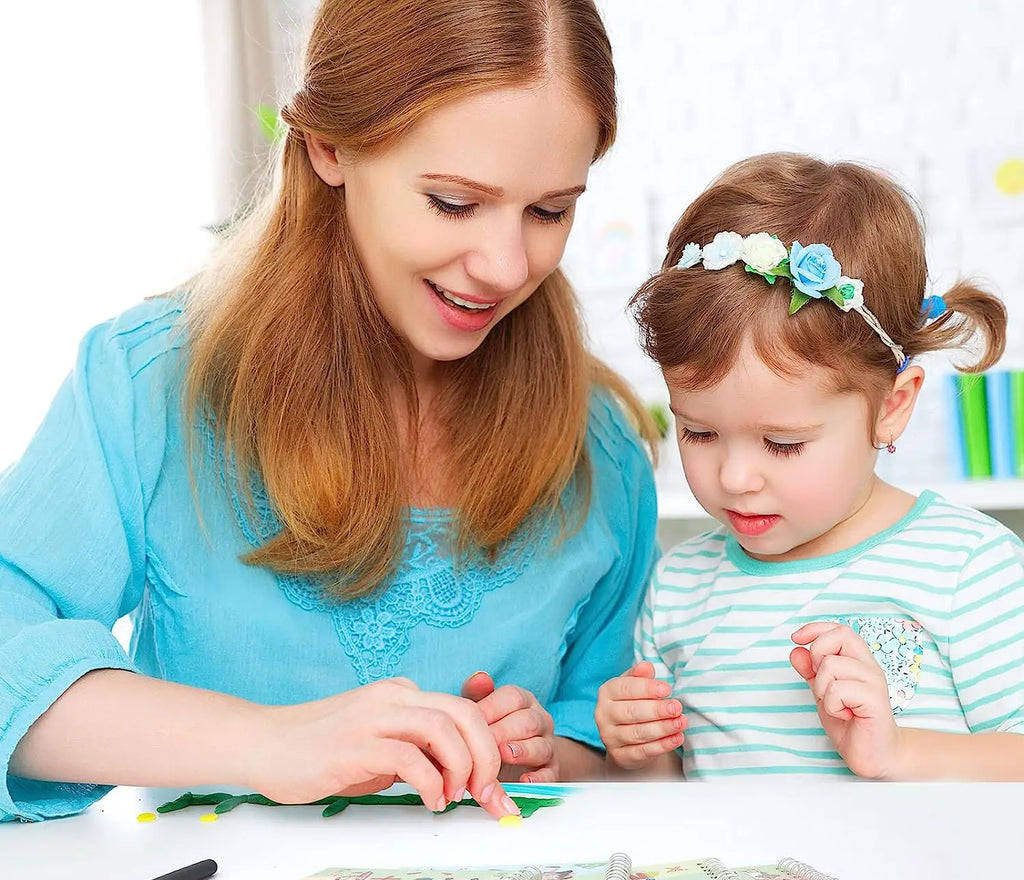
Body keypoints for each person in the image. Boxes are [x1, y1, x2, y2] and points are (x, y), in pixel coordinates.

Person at [0, 0, 660, 823]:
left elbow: (613, 748)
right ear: (329, 145)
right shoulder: (149, 385)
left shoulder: (597, 447)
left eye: (549, 211)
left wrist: (547, 751)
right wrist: (274, 744)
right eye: (454, 203)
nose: (503, 265)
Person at [596, 152, 1024, 781]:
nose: (736, 477)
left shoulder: (967, 568)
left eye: (784, 444)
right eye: (700, 431)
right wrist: (640, 752)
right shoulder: (681, 587)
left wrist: (900, 752)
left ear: (892, 407)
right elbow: (670, 801)